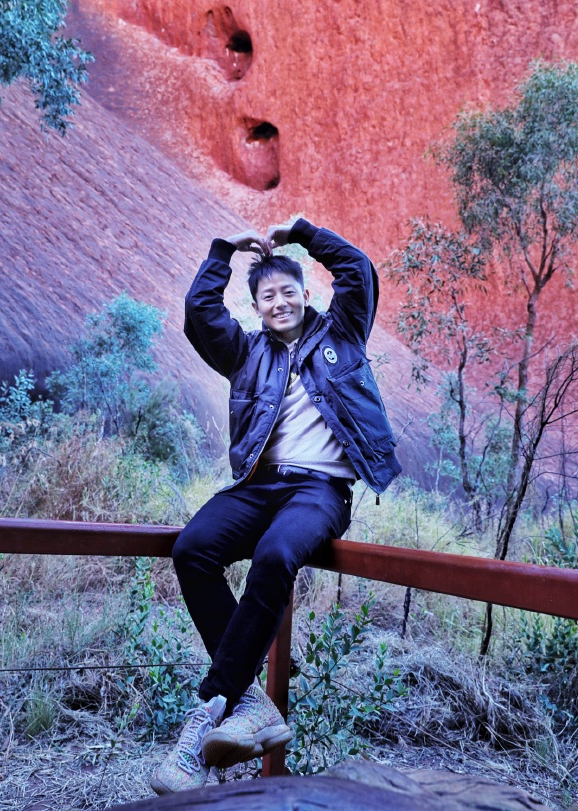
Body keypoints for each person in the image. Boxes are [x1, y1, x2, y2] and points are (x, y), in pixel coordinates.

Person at [150, 218, 402, 795]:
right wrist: (223, 251)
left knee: (275, 555)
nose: (280, 301)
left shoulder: (341, 332)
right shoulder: (246, 355)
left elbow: (358, 270)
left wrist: (302, 235)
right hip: (259, 486)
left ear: (306, 294)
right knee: (192, 549)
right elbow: (199, 312)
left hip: (320, 490)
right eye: (268, 296)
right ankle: (250, 703)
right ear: (258, 307)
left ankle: (208, 712)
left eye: (289, 291)